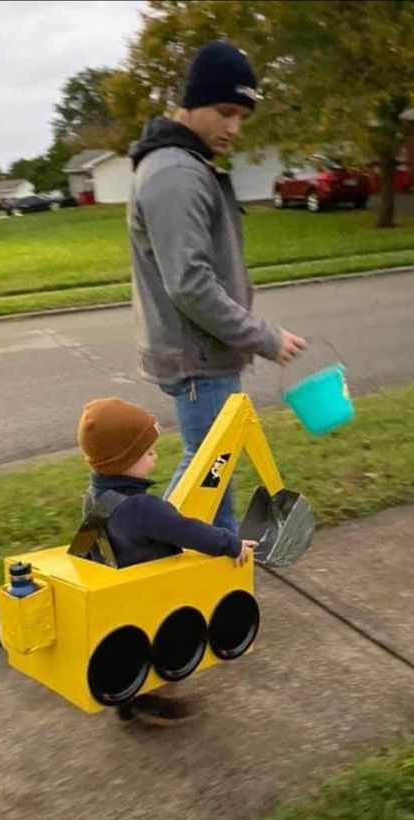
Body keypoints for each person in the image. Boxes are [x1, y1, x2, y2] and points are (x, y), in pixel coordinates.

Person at [128, 39, 306, 535]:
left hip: (203, 353)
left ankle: (185, 569)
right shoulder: (176, 174)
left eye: (243, 117)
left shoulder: (182, 165)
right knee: (208, 481)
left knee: (210, 479)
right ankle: (149, 561)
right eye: (226, 111)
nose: (234, 127)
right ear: (192, 102)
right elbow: (190, 284)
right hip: (199, 359)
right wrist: (263, 337)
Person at [77, 396, 256, 725]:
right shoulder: (143, 509)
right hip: (155, 594)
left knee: (134, 650)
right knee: (168, 644)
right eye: (147, 453)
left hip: (120, 596)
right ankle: (151, 703)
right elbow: (189, 532)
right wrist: (230, 544)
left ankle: (129, 700)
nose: (155, 457)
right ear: (124, 461)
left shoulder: (94, 499)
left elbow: (83, 549)